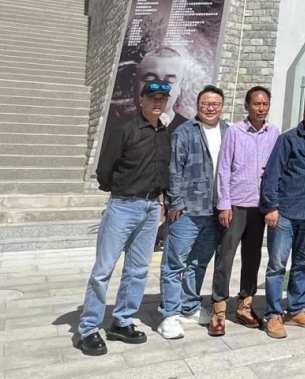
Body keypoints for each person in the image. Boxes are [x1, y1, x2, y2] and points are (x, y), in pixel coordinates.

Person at [75, 80, 172, 356]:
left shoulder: (164, 133)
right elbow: (104, 171)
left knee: (138, 269)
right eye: (152, 97)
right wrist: (122, 192)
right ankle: (88, 329)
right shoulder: (124, 131)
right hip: (123, 206)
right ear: (141, 100)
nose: (158, 102)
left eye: (162, 99)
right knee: (103, 270)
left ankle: (122, 320)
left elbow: (164, 171)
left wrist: (162, 202)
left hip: (151, 208)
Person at [259, 95, 305, 339]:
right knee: (277, 265)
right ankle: (273, 314)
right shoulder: (288, 139)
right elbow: (272, 174)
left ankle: (296, 310)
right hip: (286, 213)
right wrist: (271, 207)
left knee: (303, 264)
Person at [157, 85, 228, 340]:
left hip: (214, 211)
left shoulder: (228, 131)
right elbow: (174, 169)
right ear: (198, 105)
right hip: (187, 210)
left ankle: (189, 307)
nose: (210, 108)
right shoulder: (185, 131)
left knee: (198, 263)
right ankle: (169, 314)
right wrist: (175, 203)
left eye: (215, 104)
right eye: (205, 103)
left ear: (222, 106)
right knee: (175, 264)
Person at [209, 86, 280, 336]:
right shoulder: (234, 132)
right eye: (256, 104)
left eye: (265, 104)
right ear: (247, 106)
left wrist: (273, 204)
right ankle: (218, 309)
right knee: (225, 256)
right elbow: (223, 168)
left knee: (253, 257)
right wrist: (224, 204)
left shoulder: (274, 133)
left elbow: (276, 169)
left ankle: (245, 306)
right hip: (236, 204)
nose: (261, 108)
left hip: (259, 206)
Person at [135, 47, 188, 131]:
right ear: (135, 83)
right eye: (150, 79)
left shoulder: (191, 133)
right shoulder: (120, 130)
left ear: (180, 87)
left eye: (168, 81)